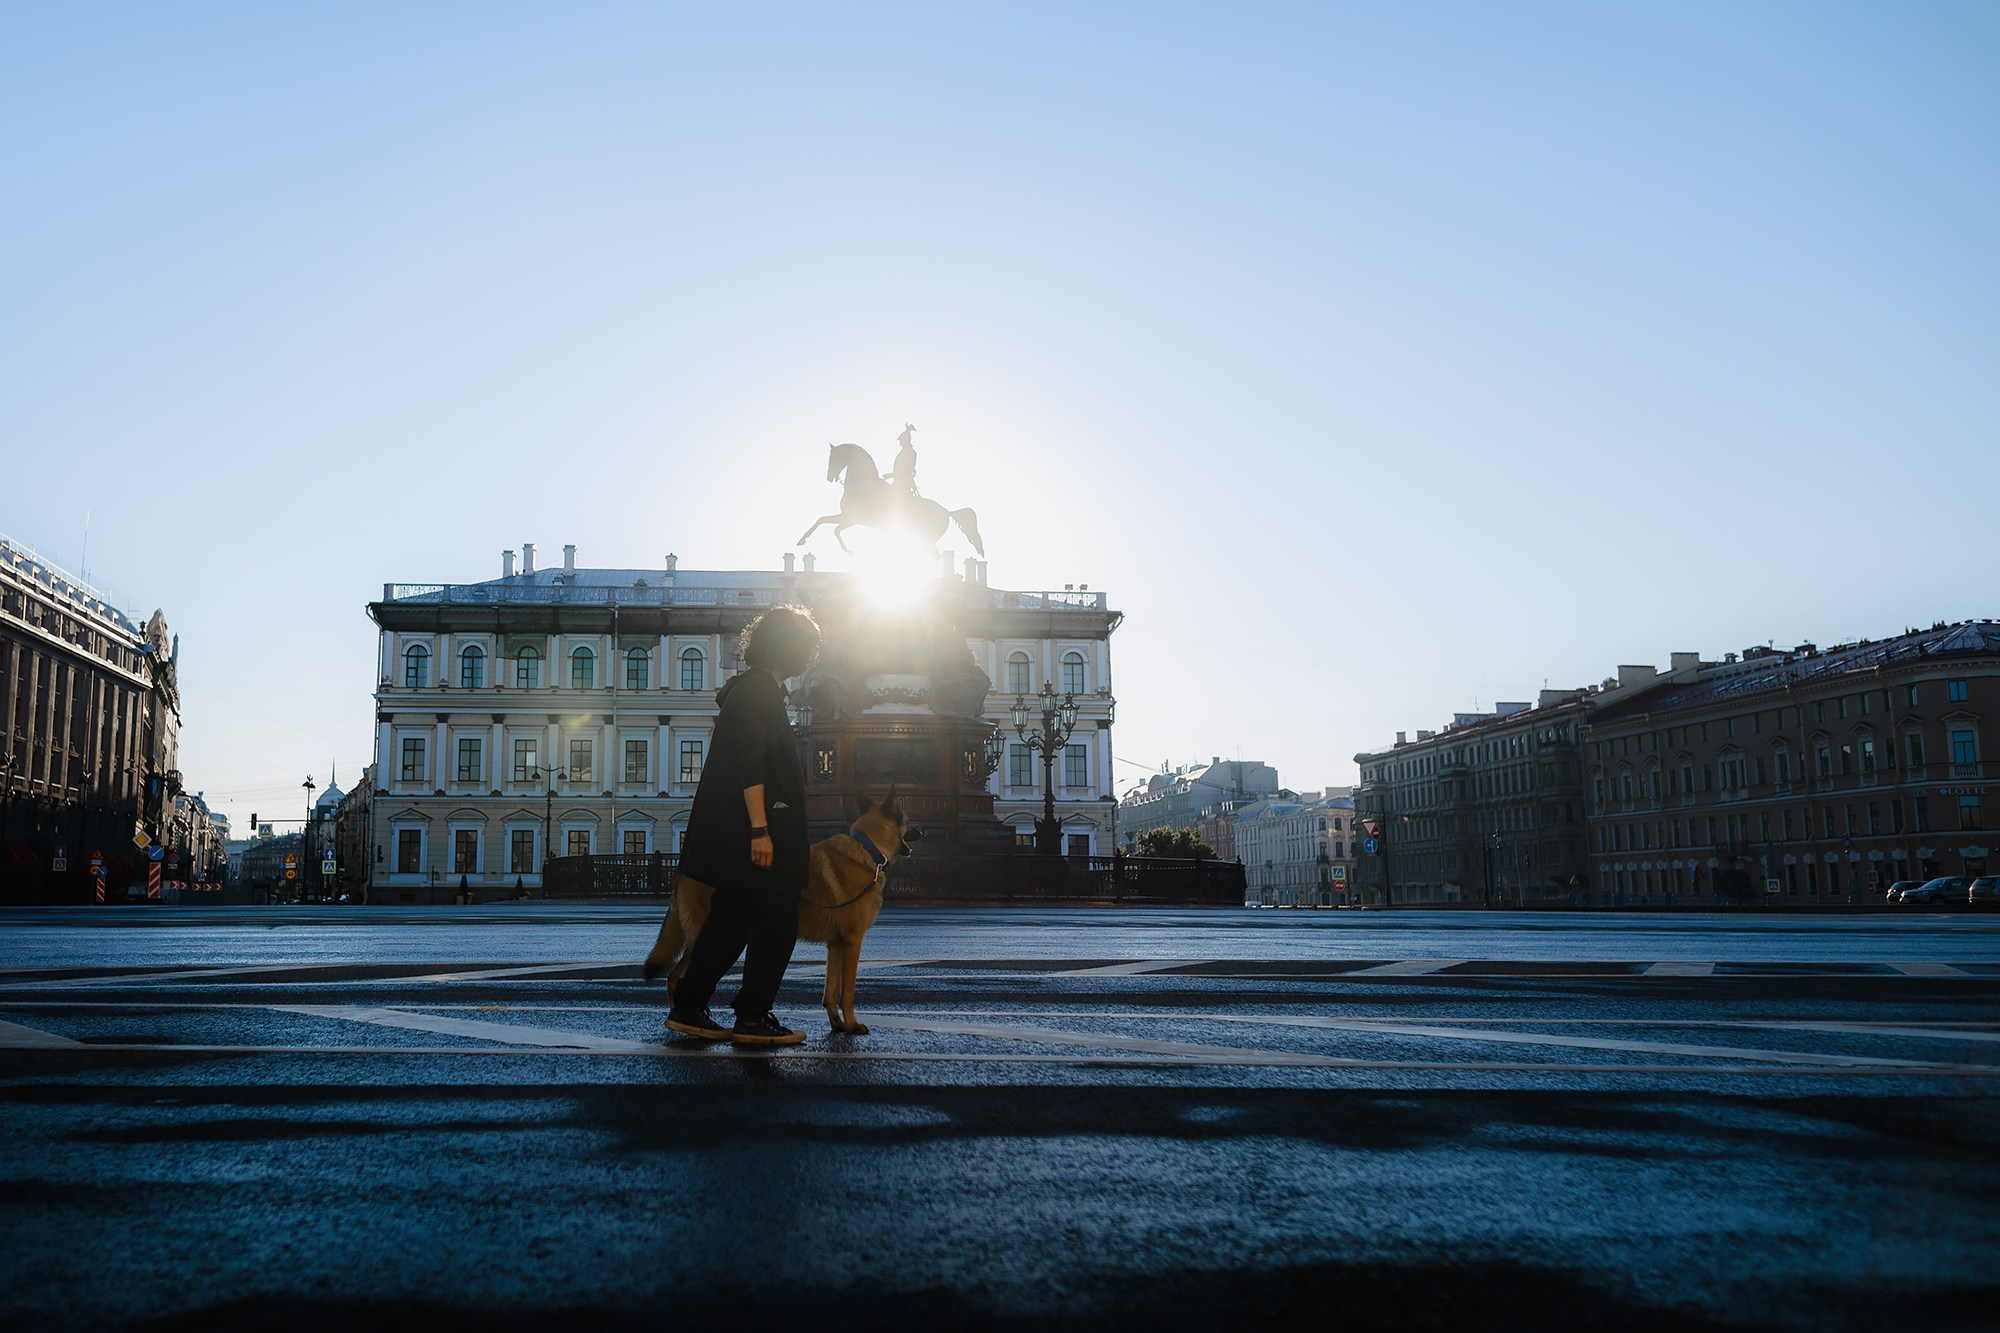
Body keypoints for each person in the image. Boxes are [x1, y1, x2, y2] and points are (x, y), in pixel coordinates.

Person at [665, 605, 821, 1046]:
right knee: (777, 921)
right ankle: (752, 1016)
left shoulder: (756, 690)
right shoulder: (758, 692)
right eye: (806, 647)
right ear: (788, 647)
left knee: (732, 918)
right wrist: (761, 830)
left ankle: (690, 1006)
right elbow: (750, 762)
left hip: (747, 832)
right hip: (758, 834)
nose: (809, 657)